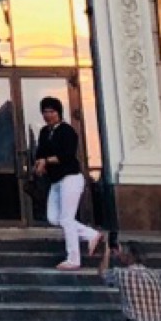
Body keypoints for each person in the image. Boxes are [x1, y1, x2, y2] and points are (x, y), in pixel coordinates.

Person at [34, 95, 97, 268]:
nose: (48, 115)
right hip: (55, 181)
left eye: (51, 111)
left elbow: (67, 155)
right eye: (45, 112)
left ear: (59, 112)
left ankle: (73, 259)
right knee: (54, 218)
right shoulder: (44, 132)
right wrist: (40, 163)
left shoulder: (67, 131)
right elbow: (40, 152)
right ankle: (91, 234)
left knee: (67, 218)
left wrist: (46, 161)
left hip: (70, 178)